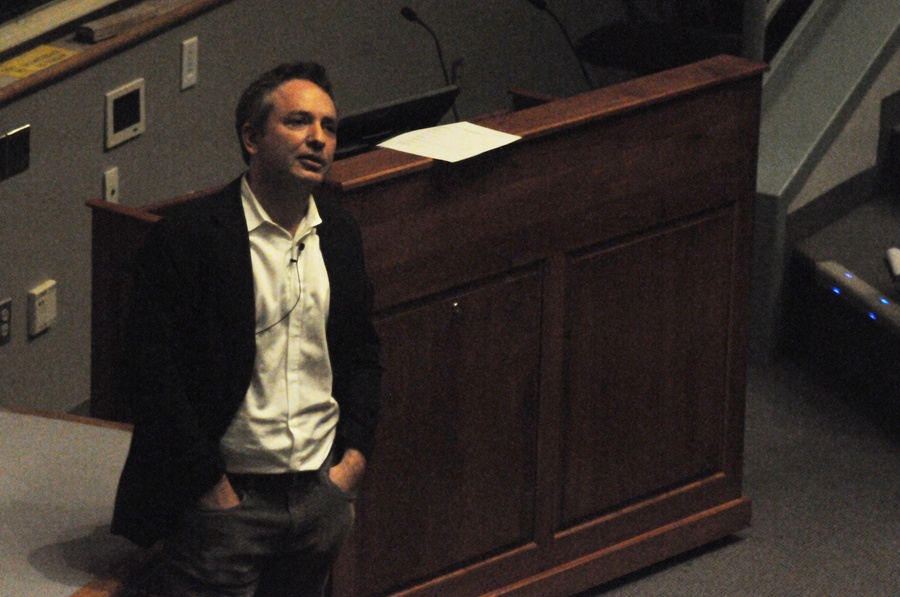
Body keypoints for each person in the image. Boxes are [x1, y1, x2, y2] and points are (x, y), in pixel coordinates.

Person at [111, 62, 382, 597]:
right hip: (227, 503)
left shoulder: (339, 233)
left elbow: (361, 354)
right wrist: (210, 487)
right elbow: (150, 372)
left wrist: (351, 462)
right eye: (299, 121)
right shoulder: (190, 237)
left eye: (329, 127)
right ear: (252, 138)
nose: (318, 138)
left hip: (320, 495)